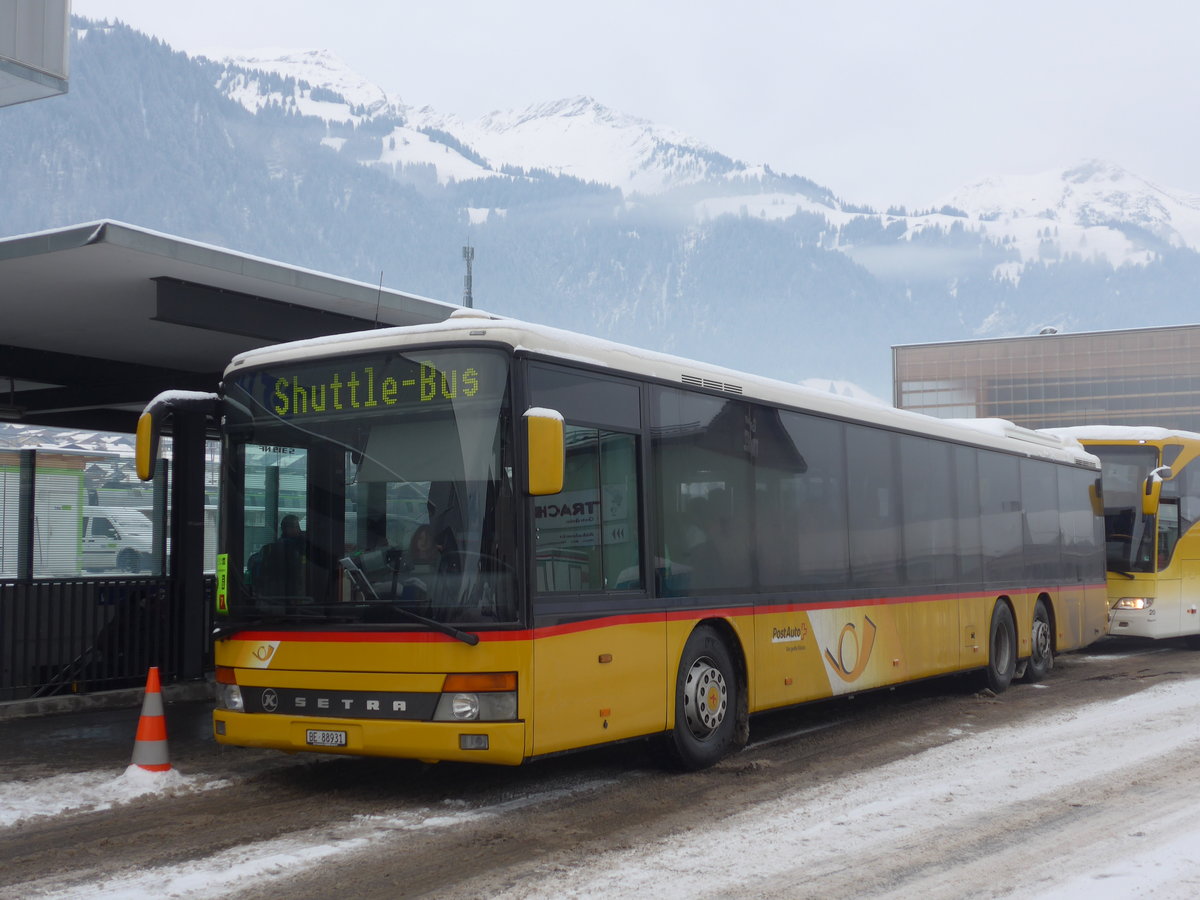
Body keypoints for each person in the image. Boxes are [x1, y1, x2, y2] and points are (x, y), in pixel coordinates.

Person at [254, 514, 307, 597]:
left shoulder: (300, 544)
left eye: (298, 527)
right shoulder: (285, 548)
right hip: (288, 590)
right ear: (288, 529)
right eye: (296, 527)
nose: (299, 530)